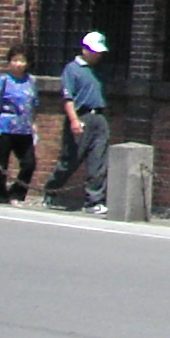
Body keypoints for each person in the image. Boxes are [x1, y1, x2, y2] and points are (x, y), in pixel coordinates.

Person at [41, 31, 111, 213]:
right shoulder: (72, 69)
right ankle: (51, 189)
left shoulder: (98, 71)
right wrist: (74, 120)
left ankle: (93, 201)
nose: (98, 55)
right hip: (81, 115)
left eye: (99, 52)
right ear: (84, 49)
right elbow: (68, 97)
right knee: (70, 160)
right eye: (94, 51)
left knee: (98, 160)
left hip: (98, 116)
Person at [0, 47, 39, 203]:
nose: (18, 64)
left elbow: (34, 105)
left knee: (29, 163)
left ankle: (17, 193)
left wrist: (34, 125)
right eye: (15, 60)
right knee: (1, 164)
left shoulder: (31, 81)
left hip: (24, 128)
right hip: (5, 126)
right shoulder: (3, 80)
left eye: (22, 60)